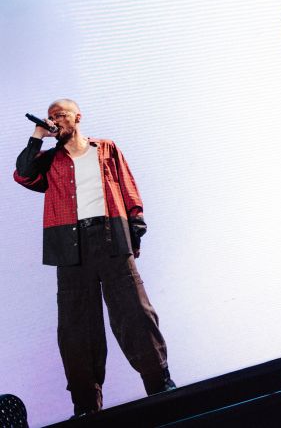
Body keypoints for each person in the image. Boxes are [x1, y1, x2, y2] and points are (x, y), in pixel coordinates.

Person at [13, 99, 174, 417]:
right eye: (50, 117)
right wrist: (38, 135)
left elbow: (128, 188)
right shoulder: (49, 160)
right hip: (69, 245)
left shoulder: (106, 148)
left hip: (111, 236)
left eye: (60, 114)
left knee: (135, 313)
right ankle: (86, 405)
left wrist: (135, 230)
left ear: (78, 117)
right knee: (76, 325)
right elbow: (23, 174)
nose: (54, 120)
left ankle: (160, 383)